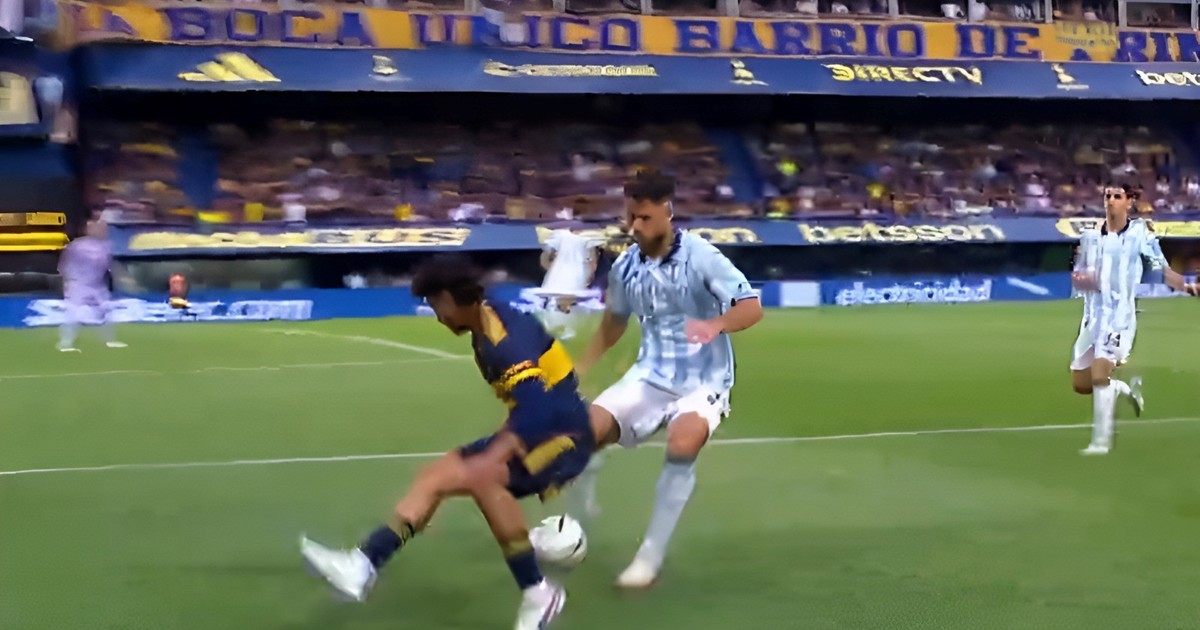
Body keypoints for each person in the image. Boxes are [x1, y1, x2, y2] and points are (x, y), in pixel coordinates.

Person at [299, 253, 592, 630]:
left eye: (436, 304)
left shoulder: (503, 341)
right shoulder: (486, 321)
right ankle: (363, 565)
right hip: (540, 427)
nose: (437, 315)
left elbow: (539, 407)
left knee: (484, 477)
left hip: (564, 437)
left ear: (452, 298)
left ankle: (539, 594)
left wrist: (497, 452)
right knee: (436, 475)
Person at [566, 169, 764, 588]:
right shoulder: (625, 265)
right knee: (582, 433)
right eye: (630, 217)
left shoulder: (702, 256)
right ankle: (577, 515)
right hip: (649, 375)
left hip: (704, 381)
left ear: (667, 211)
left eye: (644, 218)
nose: (634, 226)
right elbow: (613, 322)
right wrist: (579, 369)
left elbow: (750, 307)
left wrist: (715, 325)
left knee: (682, 443)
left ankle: (650, 555)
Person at [1070, 184, 1198, 455]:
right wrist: (1082, 277)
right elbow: (1079, 277)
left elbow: (1163, 270)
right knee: (1081, 385)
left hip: (1119, 318)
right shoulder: (1090, 237)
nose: (1111, 200)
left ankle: (1100, 442)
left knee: (1100, 371)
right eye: (1107, 196)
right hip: (1092, 318)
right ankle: (1121, 389)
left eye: (1117, 196)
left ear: (1129, 202)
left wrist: (1187, 287)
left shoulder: (1139, 234)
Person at [56, 219, 126, 352]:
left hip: (97, 285)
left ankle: (110, 340)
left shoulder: (105, 246)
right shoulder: (77, 246)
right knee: (73, 313)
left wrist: (121, 276)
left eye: (104, 229)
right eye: (99, 228)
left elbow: (110, 265)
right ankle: (65, 343)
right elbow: (64, 263)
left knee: (105, 311)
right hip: (78, 285)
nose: (103, 231)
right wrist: (67, 280)